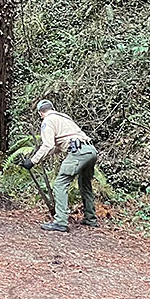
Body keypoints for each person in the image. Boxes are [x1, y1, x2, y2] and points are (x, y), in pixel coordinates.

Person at [21, 99, 98, 232]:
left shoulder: (47, 121)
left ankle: (61, 222)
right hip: (91, 151)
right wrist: (43, 156)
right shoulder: (64, 117)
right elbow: (58, 145)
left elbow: (48, 145)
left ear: (40, 113)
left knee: (60, 184)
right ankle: (90, 219)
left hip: (78, 152)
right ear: (52, 108)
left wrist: (32, 161)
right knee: (85, 184)